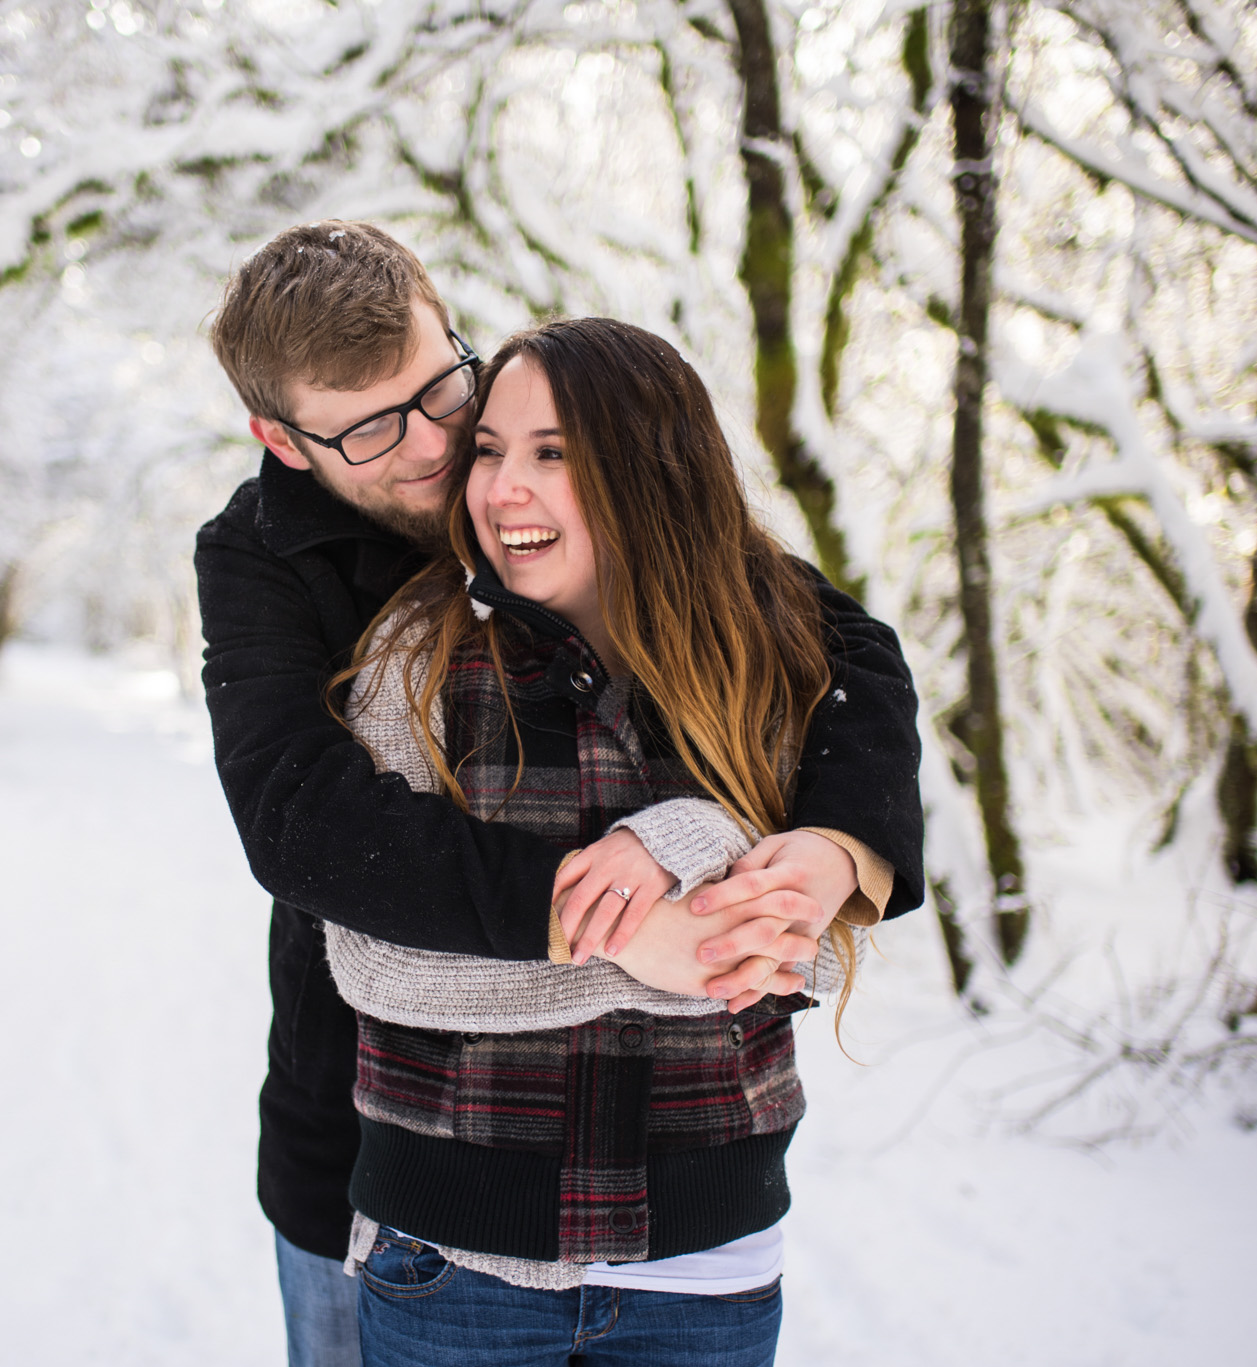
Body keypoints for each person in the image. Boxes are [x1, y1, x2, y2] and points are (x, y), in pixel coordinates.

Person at [195, 222, 923, 1367]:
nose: (439, 449)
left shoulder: (550, 447)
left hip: (680, 1206)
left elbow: (839, 655)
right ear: (282, 440)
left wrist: (827, 844)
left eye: (443, 388)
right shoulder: (266, 566)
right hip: (375, 1127)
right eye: (374, 427)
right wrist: (638, 934)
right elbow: (305, 828)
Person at [327, 316, 881, 1364]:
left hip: (705, 1259)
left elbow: (785, 937)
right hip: (454, 1257)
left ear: (649, 468)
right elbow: (371, 960)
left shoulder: (756, 653)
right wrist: (633, 946)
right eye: (487, 451)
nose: (502, 489)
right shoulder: (414, 654)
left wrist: (675, 837)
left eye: (553, 455)